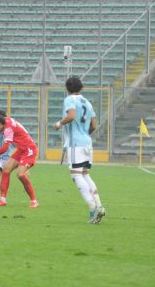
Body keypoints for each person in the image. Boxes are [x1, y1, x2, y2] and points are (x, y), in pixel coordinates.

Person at [53, 76, 105, 224]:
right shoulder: (87, 102)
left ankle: (93, 208)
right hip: (87, 142)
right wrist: (85, 135)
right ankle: (99, 206)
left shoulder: (70, 99)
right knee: (85, 175)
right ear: (81, 87)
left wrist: (58, 124)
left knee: (76, 176)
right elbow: (94, 125)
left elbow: (71, 115)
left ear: (67, 88)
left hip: (76, 143)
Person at [0, 111, 38, 208]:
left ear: (0, 124)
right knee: (6, 170)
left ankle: (34, 201)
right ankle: (2, 200)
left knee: (20, 175)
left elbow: (5, 148)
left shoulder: (8, 129)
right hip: (21, 150)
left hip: (29, 150)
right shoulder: (6, 121)